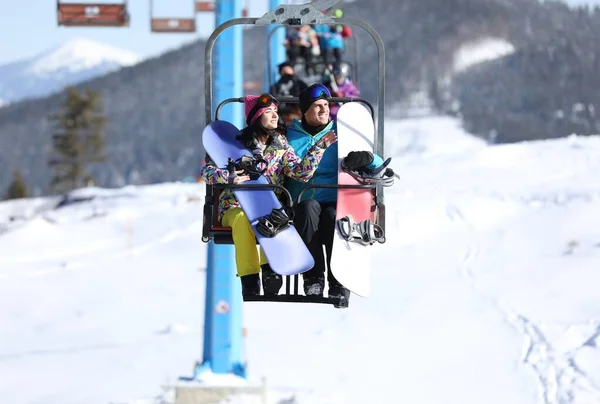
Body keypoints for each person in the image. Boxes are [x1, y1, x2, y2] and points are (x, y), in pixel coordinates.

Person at [202, 93, 337, 297]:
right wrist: (228, 176)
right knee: (242, 221)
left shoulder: (280, 145)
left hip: (268, 205)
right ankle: (250, 280)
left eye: (276, 111)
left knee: (269, 218)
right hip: (235, 205)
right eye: (268, 111)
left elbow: (300, 173)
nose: (275, 115)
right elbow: (207, 172)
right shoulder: (235, 144)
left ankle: (270, 272)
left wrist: (318, 149)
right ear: (256, 117)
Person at [285, 83, 390, 309]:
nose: (324, 110)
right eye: (317, 106)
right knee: (308, 208)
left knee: (333, 215)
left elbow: (381, 166)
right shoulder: (290, 139)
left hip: (336, 201)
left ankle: (338, 281)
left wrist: (366, 159)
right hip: (303, 202)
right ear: (305, 110)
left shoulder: (341, 135)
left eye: (326, 105)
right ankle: (313, 277)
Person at [270, 62, 308, 126]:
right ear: (280, 73)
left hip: (298, 113)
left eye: (288, 73)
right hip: (283, 115)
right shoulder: (276, 87)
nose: (287, 76)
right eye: (284, 72)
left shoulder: (299, 84)